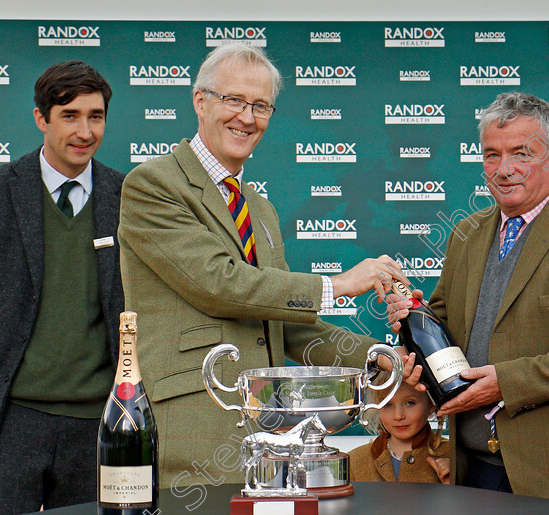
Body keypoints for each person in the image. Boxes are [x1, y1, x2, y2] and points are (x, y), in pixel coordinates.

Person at [117, 44, 407, 487]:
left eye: (260, 106)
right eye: (233, 100)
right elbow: (218, 284)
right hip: (194, 430)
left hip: (273, 441)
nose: (246, 118)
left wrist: (381, 359)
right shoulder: (152, 185)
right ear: (200, 101)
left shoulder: (261, 209)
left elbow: (286, 324)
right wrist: (340, 284)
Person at [388, 92, 549, 507]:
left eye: (522, 153)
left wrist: (505, 383)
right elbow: (445, 325)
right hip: (474, 470)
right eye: (492, 155)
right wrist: (412, 318)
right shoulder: (467, 232)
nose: (504, 170)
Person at [0, 61, 125, 513]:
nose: (84, 130)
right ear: (41, 118)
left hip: (98, 423)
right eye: (69, 115)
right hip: (8, 422)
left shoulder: (127, 197)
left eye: (95, 116)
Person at [349, 374, 454, 484]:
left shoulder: (453, 456)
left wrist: (453, 484)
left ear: (432, 405)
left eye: (410, 403)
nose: (398, 416)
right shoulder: (355, 461)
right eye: (387, 404)